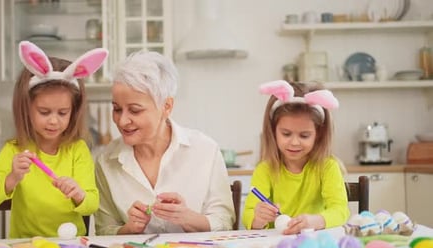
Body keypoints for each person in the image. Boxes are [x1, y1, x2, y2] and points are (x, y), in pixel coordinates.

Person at [0, 41, 108, 238]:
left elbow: (92, 205)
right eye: (44, 112)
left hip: (70, 244)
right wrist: (12, 178)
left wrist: (79, 194)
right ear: (26, 108)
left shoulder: (77, 150)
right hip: (26, 246)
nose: (54, 121)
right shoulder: (15, 150)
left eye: (63, 113)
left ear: (74, 111)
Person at [94, 51, 235, 235]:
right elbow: (104, 230)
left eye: (135, 111)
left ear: (167, 106)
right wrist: (128, 229)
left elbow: (225, 222)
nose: (122, 121)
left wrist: (189, 218)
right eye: (117, 109)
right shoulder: (106, 161)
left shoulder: (205, 150)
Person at [242, 80, 349, 235]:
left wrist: (315, 221)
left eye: (304, 135)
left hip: (315, 242)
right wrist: (258, 218)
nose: (294, 142)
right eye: (286, 134)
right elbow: (248, 216)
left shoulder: (327, 167)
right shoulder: (265, 170)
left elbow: (340, 211)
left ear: (318, 135)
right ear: (273, 131)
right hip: (275, 245)